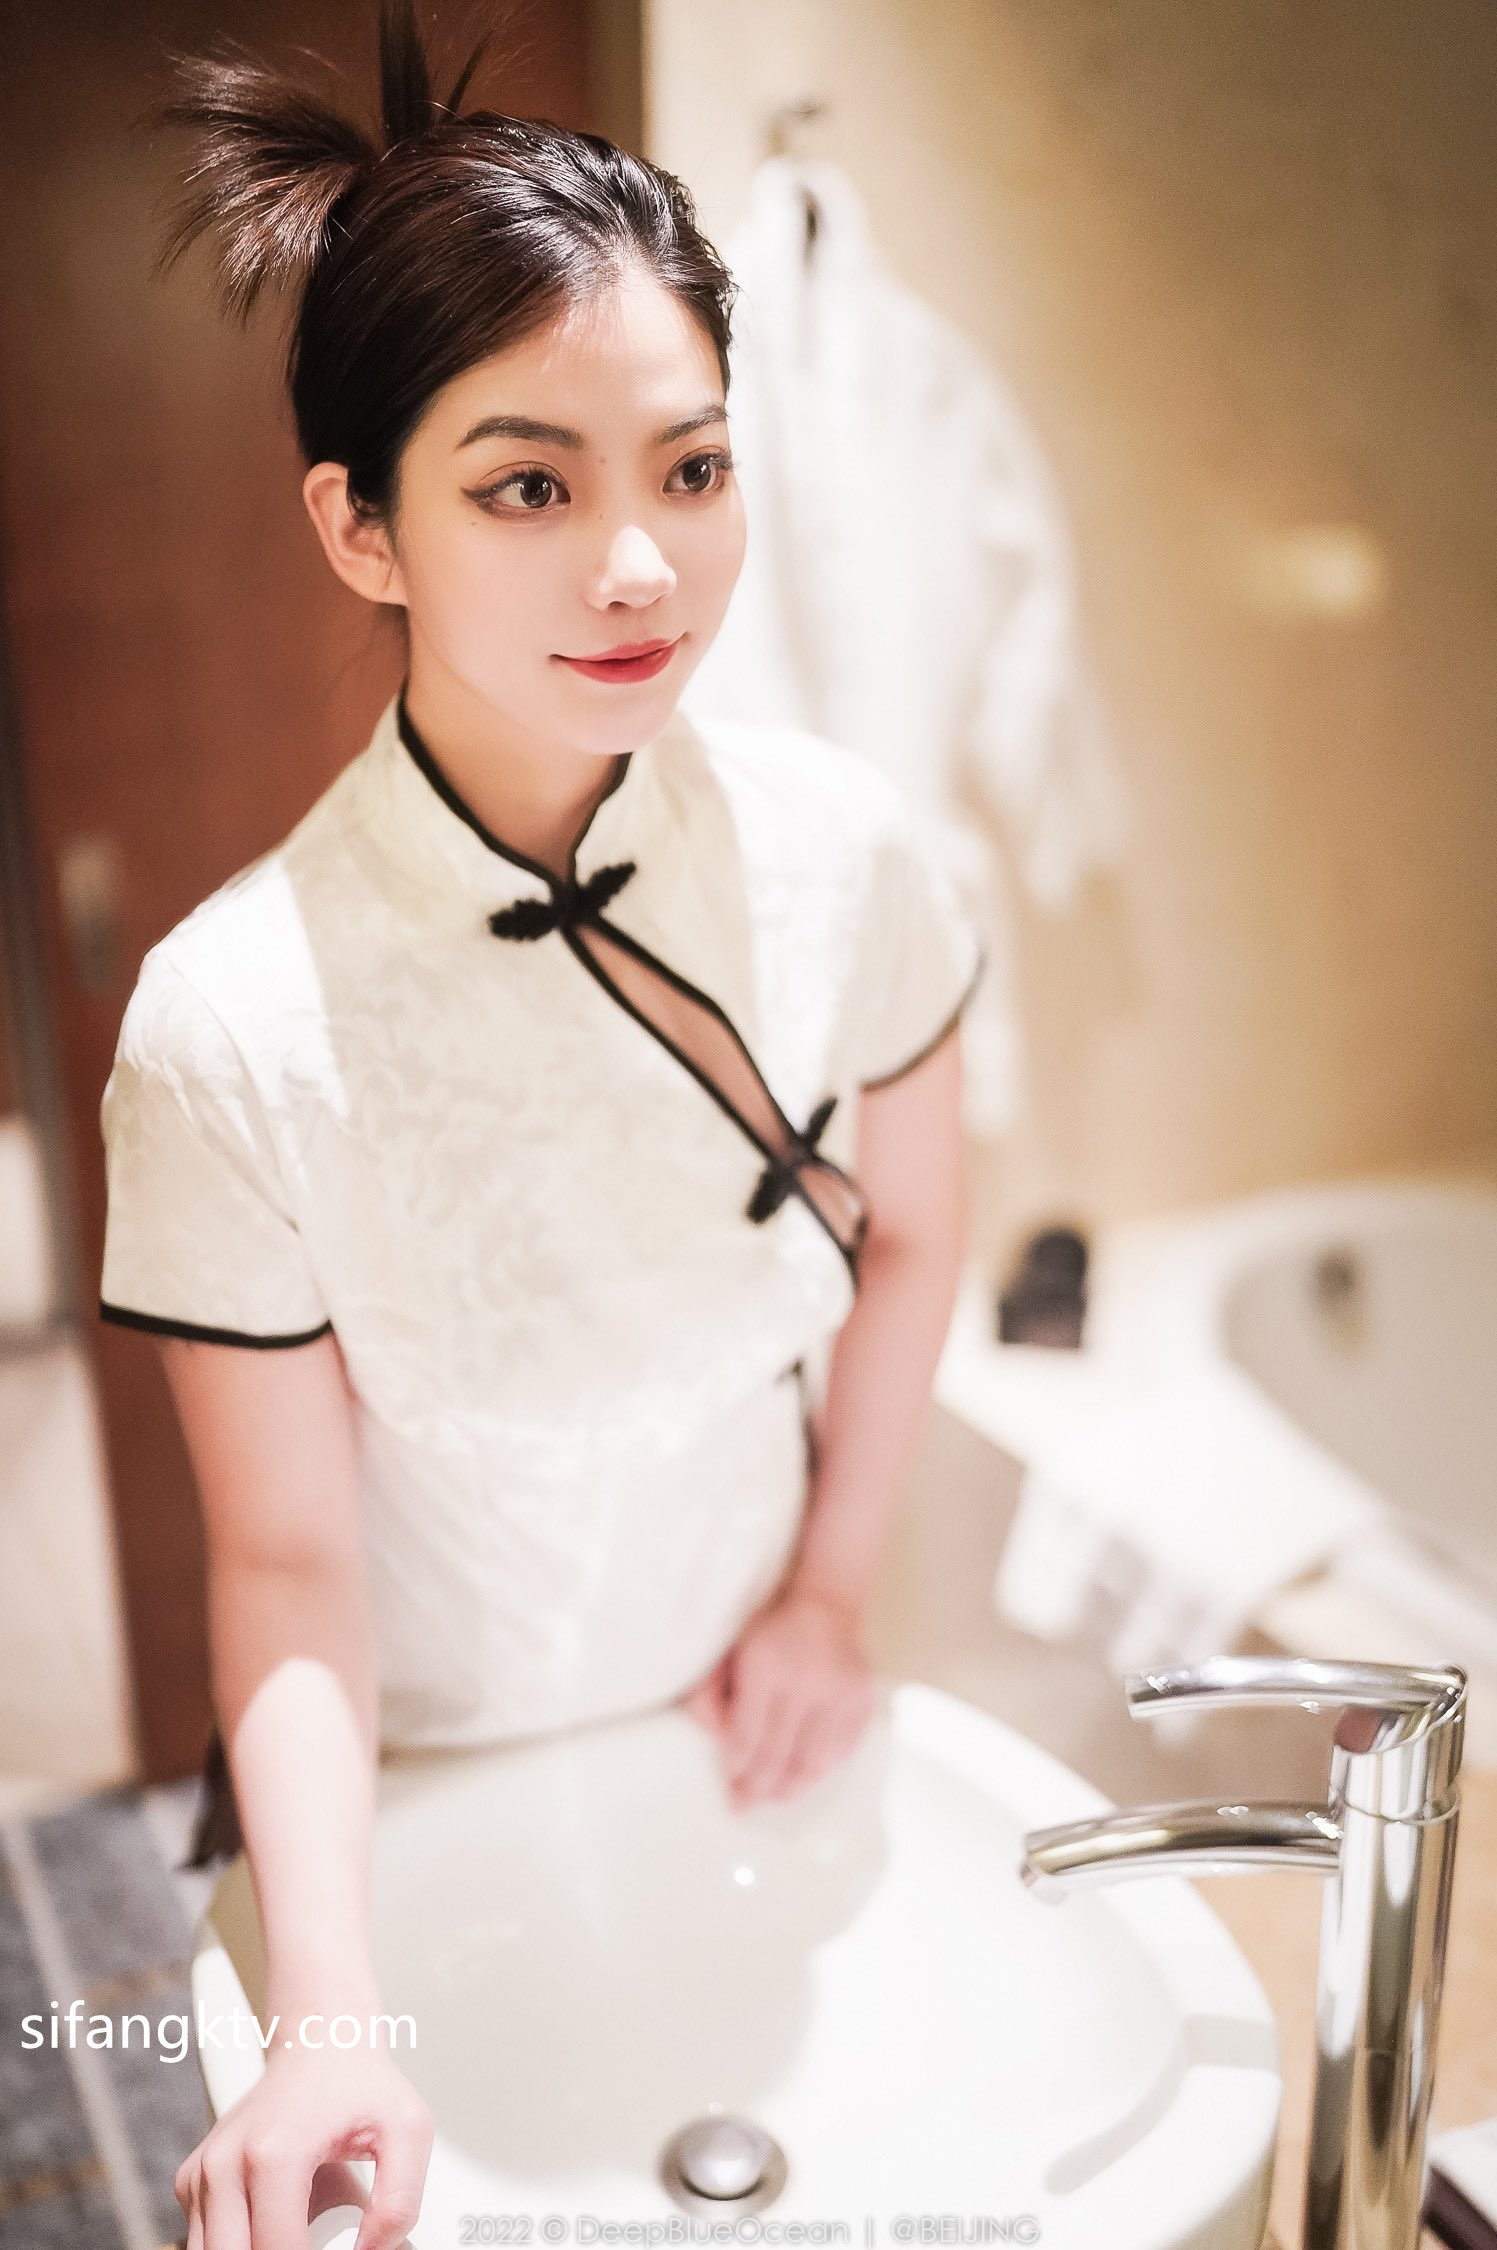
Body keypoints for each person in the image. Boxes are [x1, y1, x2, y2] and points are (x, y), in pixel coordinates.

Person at [97, 4, 983, 2244]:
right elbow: (285, 1561)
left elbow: (912, 1238)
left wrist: (830, 1595)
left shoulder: (855, 855)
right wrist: (330, 2012)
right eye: (529, 485)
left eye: (691, 469)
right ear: (361, 527)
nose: (640, 568)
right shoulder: (228, 1028)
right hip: (406, 1796)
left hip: (748, 1713)